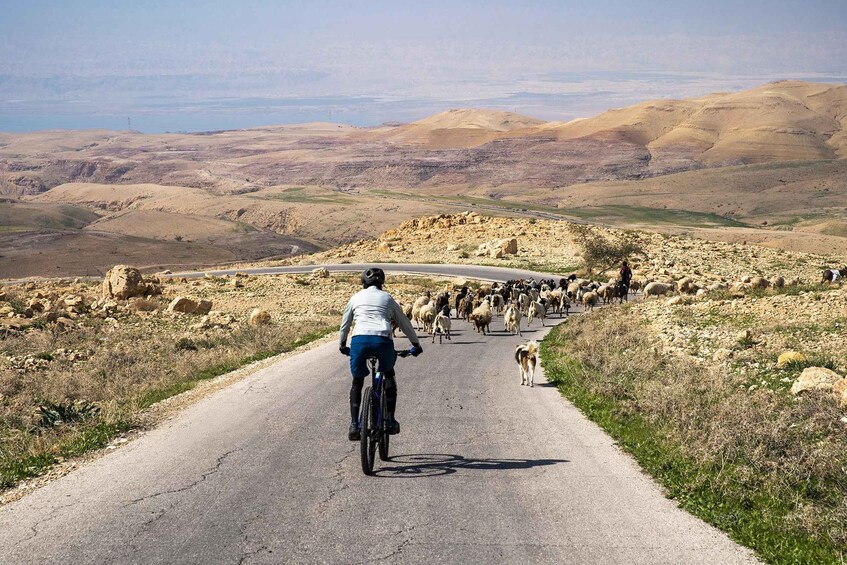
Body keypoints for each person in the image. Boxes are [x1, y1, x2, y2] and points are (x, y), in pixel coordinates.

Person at [339, 267, 422, 441]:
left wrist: (342, 345)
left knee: (357, 381)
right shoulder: (388, 298)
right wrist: (415, 344)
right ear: (381, 284)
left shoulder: (355, 298)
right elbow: (404, 323)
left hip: (359, 341)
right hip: (382, 340)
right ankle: (390, 420)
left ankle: (354, 424)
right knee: (389, 373)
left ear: (363, 283)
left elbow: (345, 324)